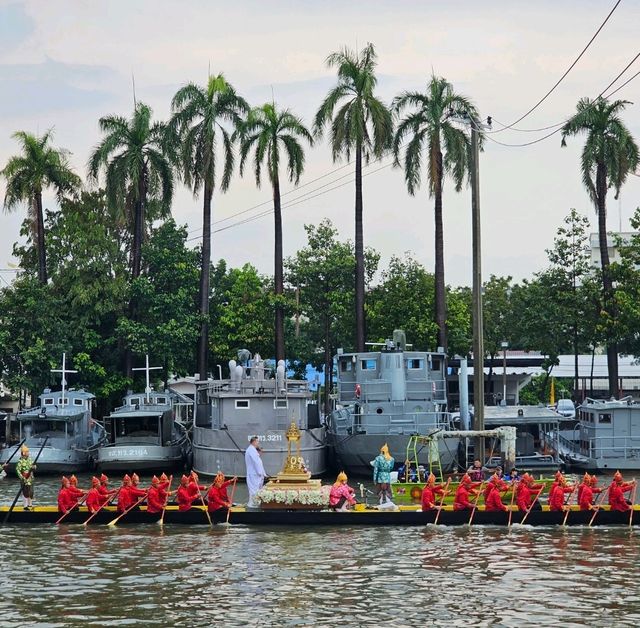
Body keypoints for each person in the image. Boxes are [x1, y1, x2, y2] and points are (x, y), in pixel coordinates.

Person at [245, 436, 267, 508]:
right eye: (257, 441)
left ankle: (256, 503)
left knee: (257, 489)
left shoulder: (252, 450)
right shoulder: (251, 450)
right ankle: (253, 504)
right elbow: (256, 462)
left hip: (255, 474)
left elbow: (257, 461)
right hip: (254, 474)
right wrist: (260, 472)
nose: (258, 443)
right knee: (254, 490)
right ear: (254, 442)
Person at [15, 445, 36, 510]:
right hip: (24, 478)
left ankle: (30, 504)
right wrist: (22, 478)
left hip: (30, 478)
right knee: (25, 492)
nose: (28, 453)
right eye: (27, 452)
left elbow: (34, 467)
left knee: (31, 492)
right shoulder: (20, 461)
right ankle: (25, 506)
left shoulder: (30, 459)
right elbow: (17, 470)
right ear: (24, 453)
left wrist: (34, 467)